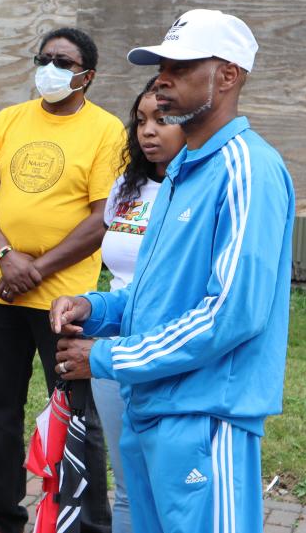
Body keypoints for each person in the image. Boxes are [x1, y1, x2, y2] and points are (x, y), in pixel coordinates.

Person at [51, 9, 295, 533]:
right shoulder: (184, 171)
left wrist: (110, 354)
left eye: (182, 66)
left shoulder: (246, 167)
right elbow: (153, 291)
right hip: (154, 404)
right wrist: (95, 309)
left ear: (227, 75)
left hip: (205, 417)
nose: (164, 77)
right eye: (163, 64)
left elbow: (232, 313)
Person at [0, 27, 124, 533]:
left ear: (87, 75)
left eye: (63, 61)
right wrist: (8, 257)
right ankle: (1, 512)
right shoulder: (8, 120)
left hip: (65, 301)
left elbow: (103, 217)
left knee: (78, 411)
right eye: (44, 58)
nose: (50, 68)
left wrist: (37, 268)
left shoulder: (107, 130)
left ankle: (85, 522)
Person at [91, 76, 186, 533]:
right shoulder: (126, 189)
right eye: (141, 121)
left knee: (172, 484)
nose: (148, 131)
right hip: (113, 341)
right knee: (127, 484)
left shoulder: (199, 192)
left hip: (168, 347)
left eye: (163, 120)